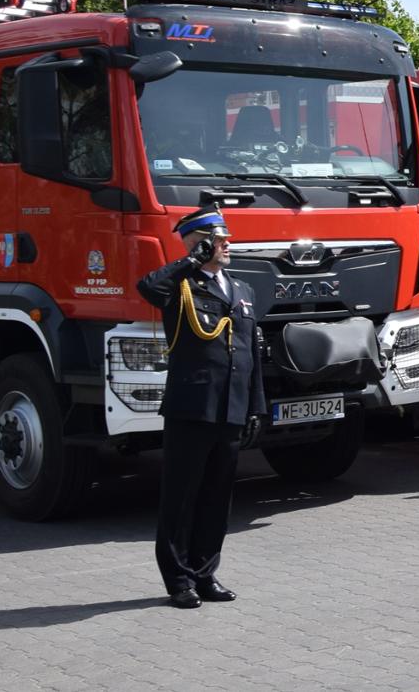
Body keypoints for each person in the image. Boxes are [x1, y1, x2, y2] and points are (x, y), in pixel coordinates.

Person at [137, 206, 264, 609]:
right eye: (219, 239)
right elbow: (147, 287)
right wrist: (191, 259)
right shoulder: (181, 285)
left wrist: (255, 407)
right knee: (181, 497)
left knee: (216, 497)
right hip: (192, 407)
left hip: (230, 408)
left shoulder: (242, 291)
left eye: (225, 238)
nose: (228, 245)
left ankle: (205, 573)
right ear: (201, 242)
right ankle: (178, 581)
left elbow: (251, 356)